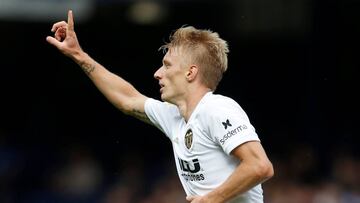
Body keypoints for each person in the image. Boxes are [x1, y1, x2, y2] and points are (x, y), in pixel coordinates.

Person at [46, 10, 274, 203]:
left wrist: (210, 199)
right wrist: (78, 54)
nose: (157, 73)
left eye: (167, 65)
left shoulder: (217, 108)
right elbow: (128, 99)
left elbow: (260, 166)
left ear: (190, 72)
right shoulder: (174, 115)